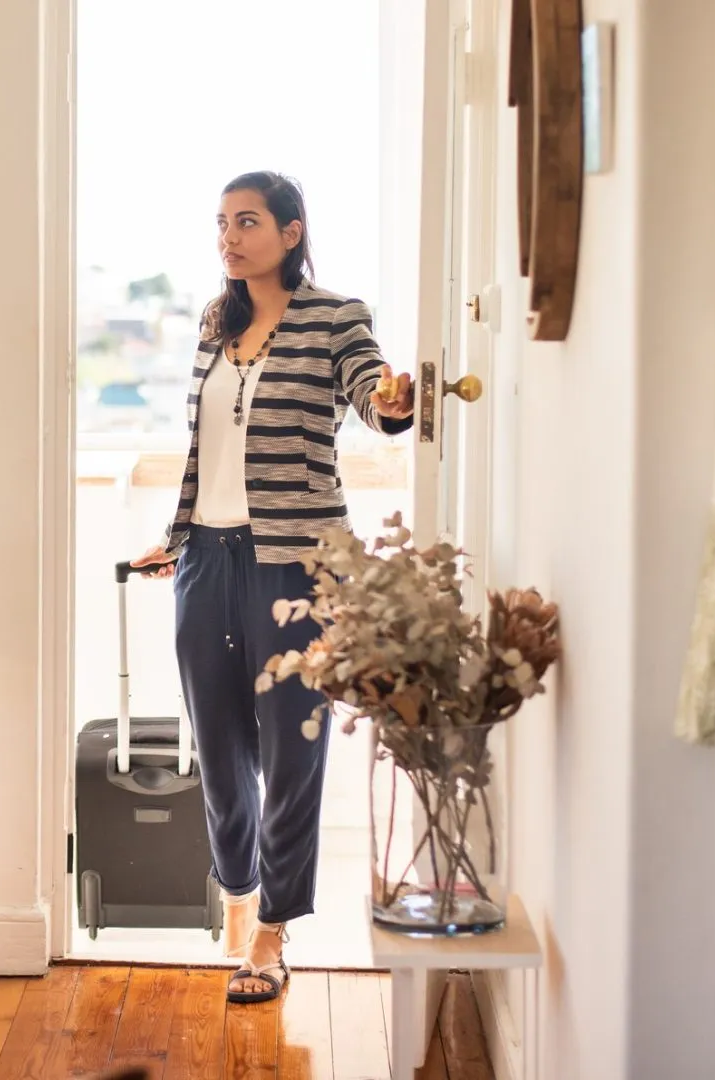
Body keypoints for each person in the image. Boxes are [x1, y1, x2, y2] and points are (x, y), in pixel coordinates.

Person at [130, 171, 415, 1004]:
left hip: (295, 565)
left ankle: (273, 930)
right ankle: (239, 889)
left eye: (247, 221)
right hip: (205, 560)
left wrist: (393, 402)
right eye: (221, 222)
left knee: (293, 747)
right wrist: (178, 538)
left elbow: (371, 392)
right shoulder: (217, 326)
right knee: (217, 746)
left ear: (291, 232)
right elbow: (204, 450)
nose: (229, 236)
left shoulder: (336, 317)